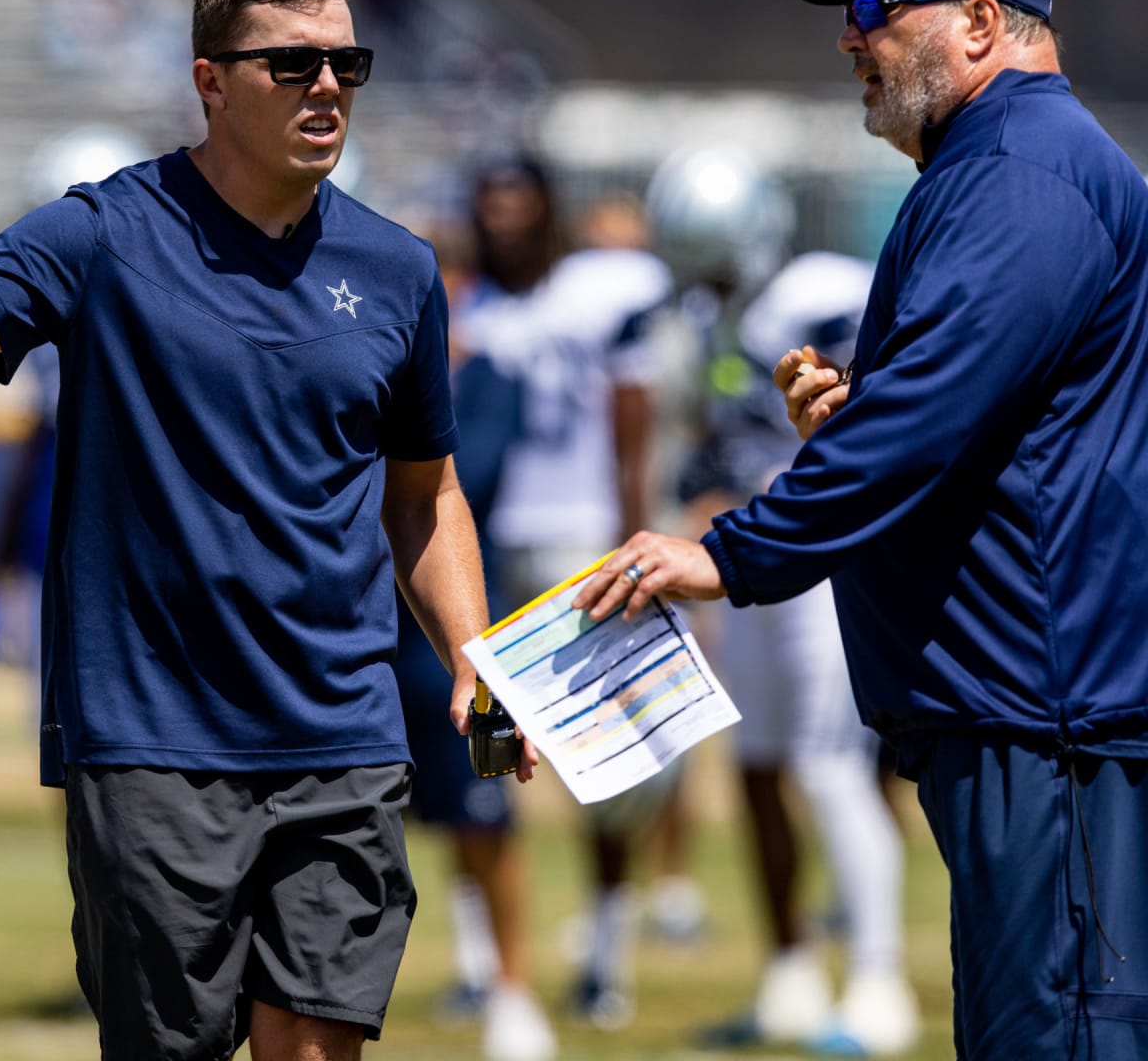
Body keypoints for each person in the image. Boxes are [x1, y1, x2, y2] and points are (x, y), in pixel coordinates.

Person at [573, 0, 1148, 1060]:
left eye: (880, 5)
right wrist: (859, 403)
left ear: (982, 21)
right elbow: (988, 406)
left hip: (1049, 714)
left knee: (1066, 1034)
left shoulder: (1025, 171)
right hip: (1021, 704)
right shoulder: (998, 163)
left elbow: (935, 415)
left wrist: (729, 553)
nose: (851, 35)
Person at [0, 0, 534, 1061]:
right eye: (292, 66)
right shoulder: (103, 234)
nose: (327, 88)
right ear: (211, 82)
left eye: (347, 64)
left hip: (344, 733)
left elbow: (425, 491)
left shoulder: (400, 269)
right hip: (152, 741)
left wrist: (469, 653)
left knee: (318, 1047)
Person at [679, 251, 917, 1056]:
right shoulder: (711, 326)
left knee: (829, 765)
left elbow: (869, 409)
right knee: (756, 762)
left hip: (815, 547)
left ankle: (880, 982)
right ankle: (790, 976)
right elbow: (720, 444)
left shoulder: (823, 288)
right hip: (750, 543)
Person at [458, 155, 675, 1029]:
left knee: (608, 767)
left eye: (519, 203)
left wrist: (629, 541)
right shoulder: (466, 303)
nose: (505, 218)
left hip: (583, 542)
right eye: (491, 202)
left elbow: (633, 423)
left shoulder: (598, 293)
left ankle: (604, 955)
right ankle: (486, 959)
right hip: (490, 547)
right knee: (486, 759)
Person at [391, 221, 556, 1061]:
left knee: (489, 808)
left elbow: (468, 477)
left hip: (470, 624)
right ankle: (473, 968)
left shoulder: (490, 376)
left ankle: (515, 989)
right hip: (373, 633)